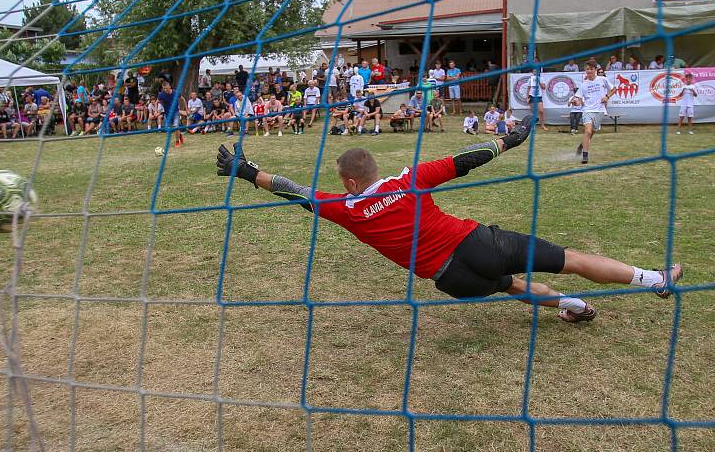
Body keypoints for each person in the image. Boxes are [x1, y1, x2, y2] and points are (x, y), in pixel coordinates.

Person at [214, 117, 684, 323]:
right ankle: (653, 278)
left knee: (515, 287)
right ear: (373, 171)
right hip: (477, 244)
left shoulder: (346, 209)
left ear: (348, 181)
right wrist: (507, 142)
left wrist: (246, 170)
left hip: (451, 279)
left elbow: (294, 191)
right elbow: (464, 160)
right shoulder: (409, 180)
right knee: (571, 258)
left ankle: (577, 308)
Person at [574, 62, 615, 164]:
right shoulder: (583, 84)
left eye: (591, 69)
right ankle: (585, 156)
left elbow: (614, 89)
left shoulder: (602, 79)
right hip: (587, 110)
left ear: (595, 70)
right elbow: (578, 99)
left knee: (592, 132)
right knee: (587, 131)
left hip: (600, 110)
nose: (589, 71)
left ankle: (582, 145)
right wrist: (575, 102)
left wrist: (607, 96)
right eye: (587, 69)